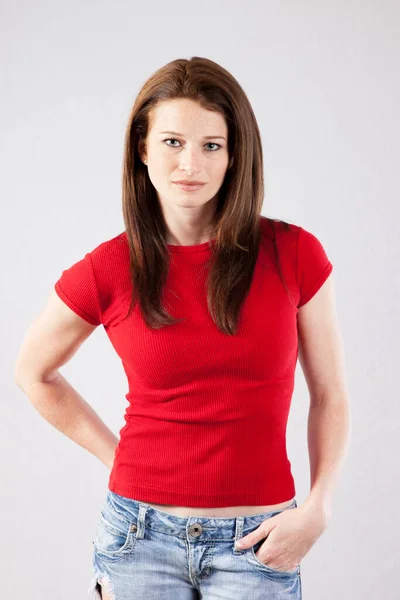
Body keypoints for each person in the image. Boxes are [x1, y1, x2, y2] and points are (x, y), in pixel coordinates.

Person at [14, 56, 351, 600]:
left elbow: (330, 395)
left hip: (258, 542)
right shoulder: (108, 267)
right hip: (138, 539)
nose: (189, 163)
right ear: (142, 150)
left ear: (234, 154)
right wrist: (116, 456)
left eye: (210, 145)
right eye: (172, 142)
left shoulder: (294, 254)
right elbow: (33, 373)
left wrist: (320, 507)